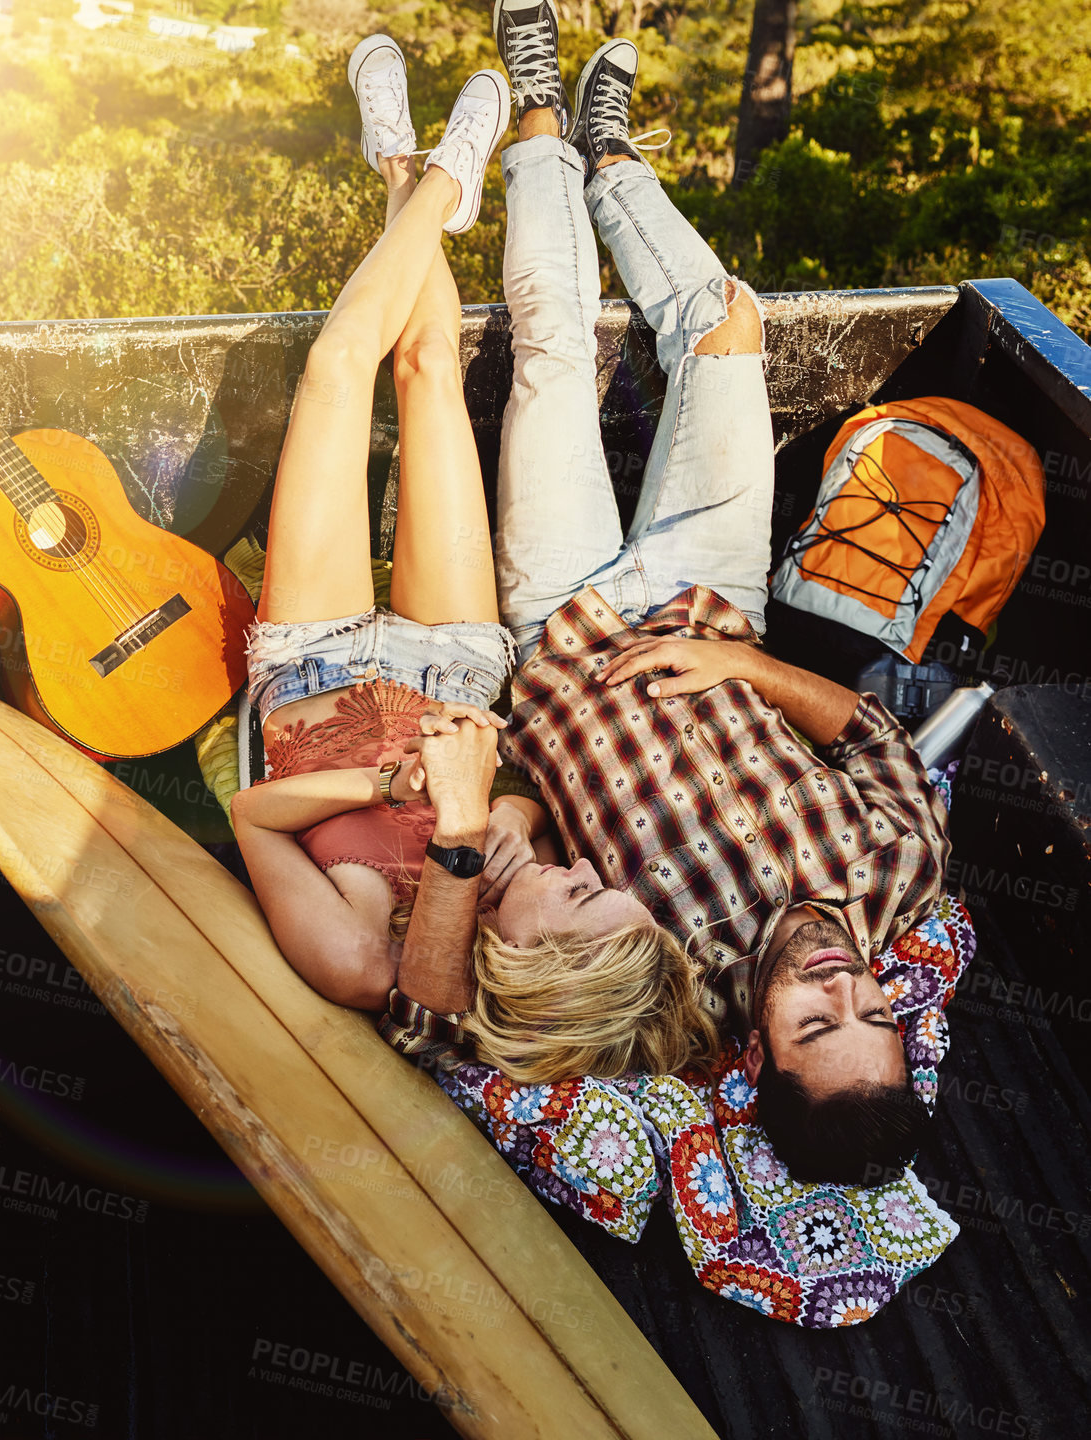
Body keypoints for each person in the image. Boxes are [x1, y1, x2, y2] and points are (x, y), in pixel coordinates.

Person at [382, 4, 948, 1186]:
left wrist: (471, 834)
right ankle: (612, 153)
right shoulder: (899, 877)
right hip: (709, 599)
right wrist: (743, 671)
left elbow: (429, 1029)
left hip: (564, 628)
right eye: (871, 1017)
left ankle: (536, 109)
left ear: (761, 1063)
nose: (839, 989)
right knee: (723, 323)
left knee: (548, 346)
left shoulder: (671, 1001)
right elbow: (876, 730)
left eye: (812, 1025)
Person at [233, 40, 536, 1013]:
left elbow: (252, 818)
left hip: (308, 667)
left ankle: (423, 178)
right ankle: (425, 179)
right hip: (454, 665)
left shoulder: (359, 965)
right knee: (427, 373)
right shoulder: (521, 931)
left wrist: (388, 784)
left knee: (334, 373)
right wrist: (473, 794)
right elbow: (526, 798)